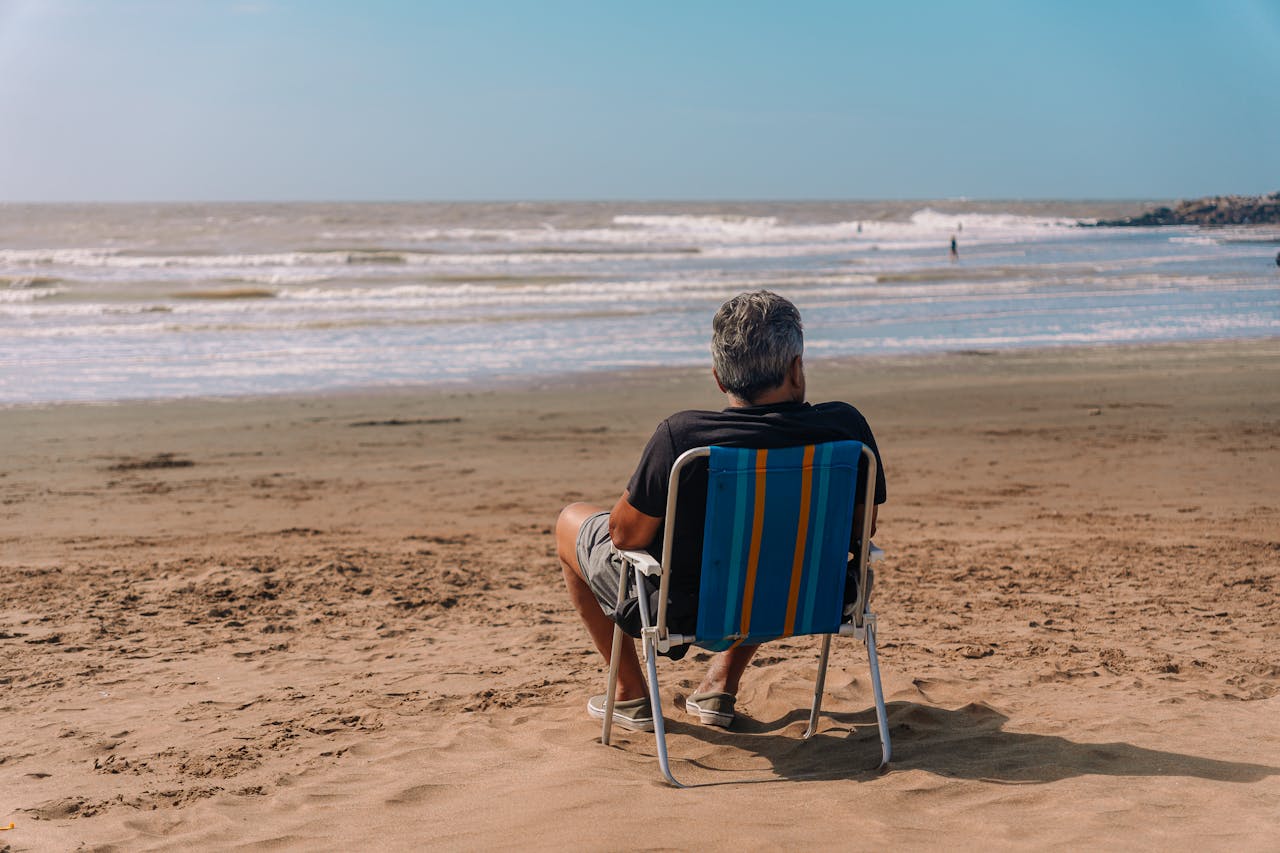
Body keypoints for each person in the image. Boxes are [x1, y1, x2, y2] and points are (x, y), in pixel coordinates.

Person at [555, 290, 887, 733]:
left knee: (570, 522)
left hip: (687, 612)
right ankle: (720, 685)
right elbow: (862, 529)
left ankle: (631, 695)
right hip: (806, 599)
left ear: (718, 377)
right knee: (773, 545)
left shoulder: (684, 439)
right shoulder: (846, 430)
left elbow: (624, 538)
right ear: (796, 368)